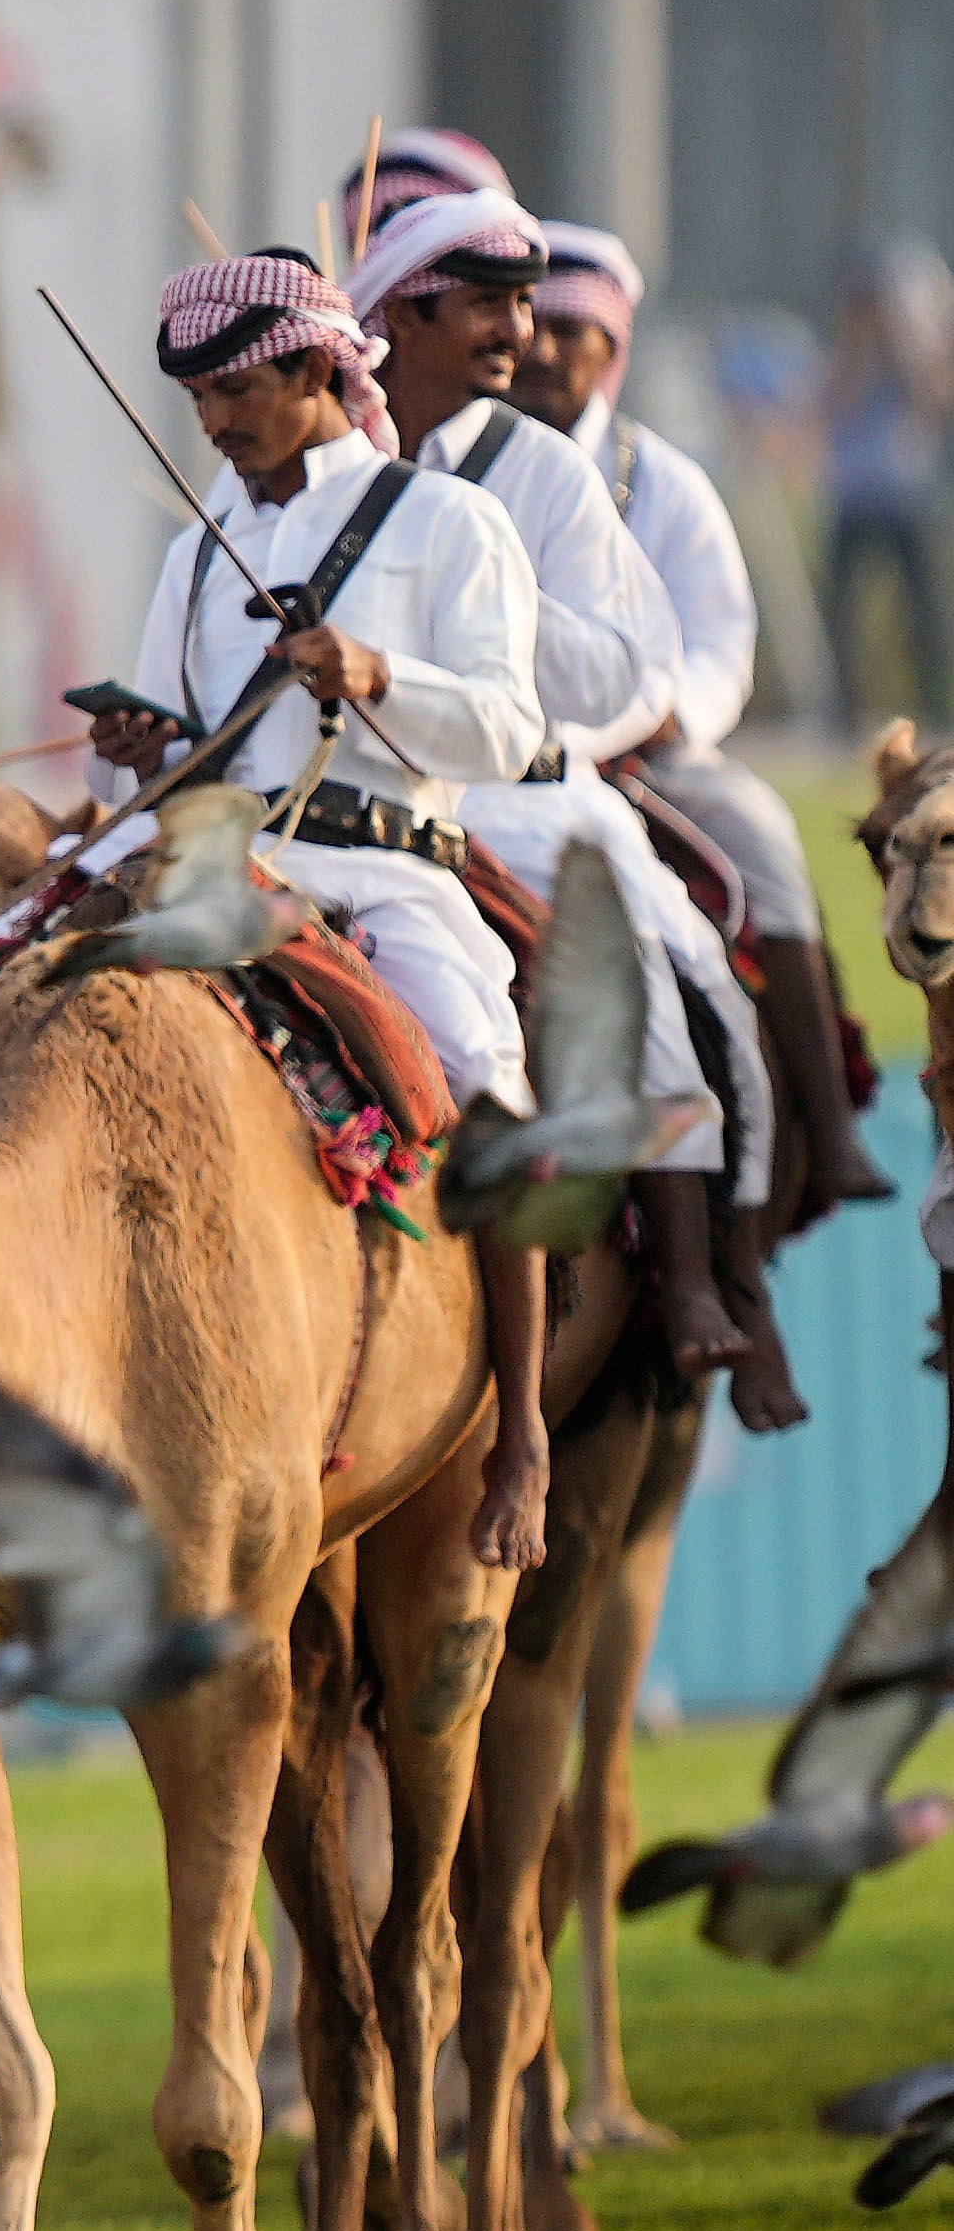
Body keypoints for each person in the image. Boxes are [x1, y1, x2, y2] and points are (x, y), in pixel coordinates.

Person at [60, 250, 566, 1560]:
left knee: (486, 1084)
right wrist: (140, 744)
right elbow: (189, 752)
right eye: (200, 401)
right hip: (208, 868)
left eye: (238, 391)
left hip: (385, 876)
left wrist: (377, 671)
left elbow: (509, 730)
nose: (217, 424)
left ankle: (521, 1437)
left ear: (319, 372)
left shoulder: (446, 524)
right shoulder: (193, 545)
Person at [351, 187, 777, 1406]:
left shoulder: (539, 472)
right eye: (487, 307)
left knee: (639, 981)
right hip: (353, 804)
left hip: (523, 798)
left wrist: (497, 622)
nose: (520, 333)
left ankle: (699, 1272)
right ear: (401, 319)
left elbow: (635, 669)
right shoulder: (330, 460)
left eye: (525, 306)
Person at [534, 219, 879, 1222]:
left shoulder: (665, 483)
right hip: (500, 759)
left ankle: (828, 1121)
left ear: (616, 350)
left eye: (575, 330)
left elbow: (721, 637)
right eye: (533, 324)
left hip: (650, 757)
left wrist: (663, 715)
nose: (548, 349)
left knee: (761, 837)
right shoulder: (470, 472)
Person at [824, 242, 954, 733]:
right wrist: (862, 349)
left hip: (905, 495)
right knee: (842, 612)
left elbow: (935, 405)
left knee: (924, 612)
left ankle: (935, 705)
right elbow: (835, 402)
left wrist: (905, 349)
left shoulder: (908, 354)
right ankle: (845, 711)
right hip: (854, 497)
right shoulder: (847, 351)